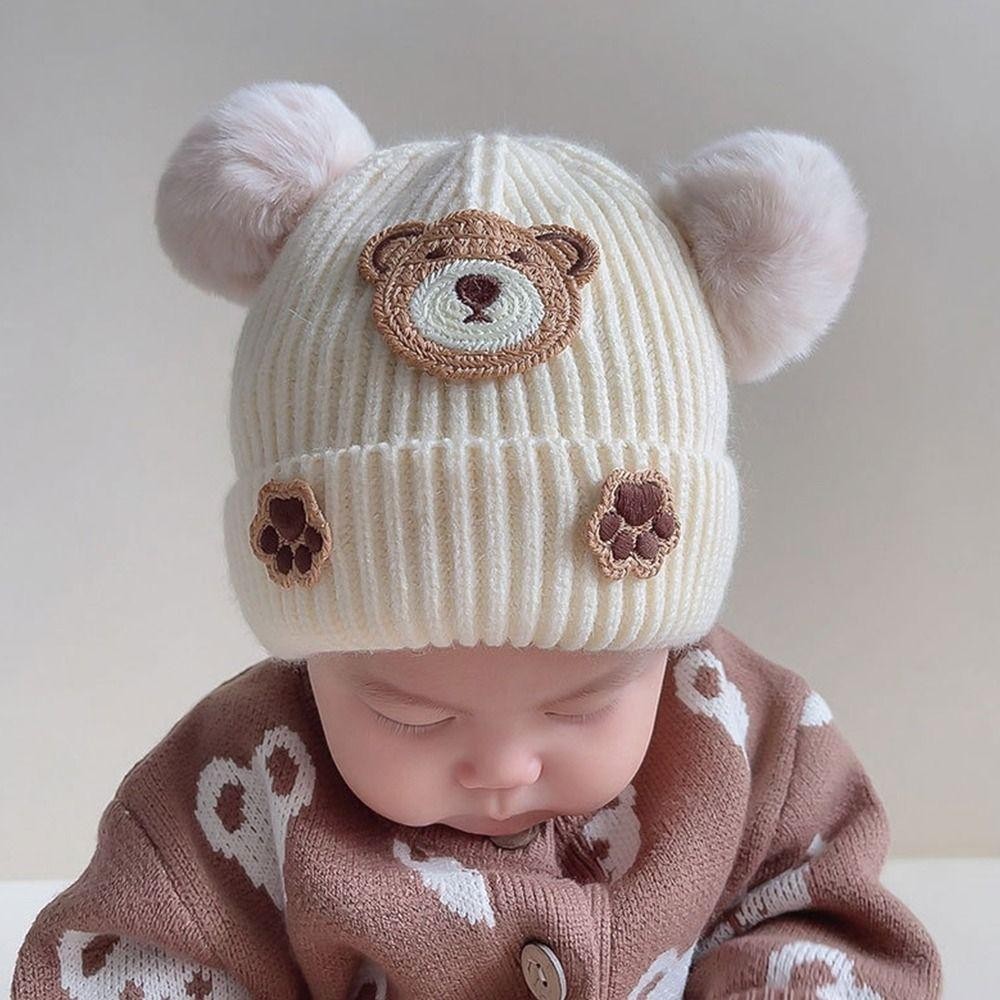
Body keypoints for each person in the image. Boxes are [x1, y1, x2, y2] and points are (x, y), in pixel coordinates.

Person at [12, 81, 941, 1000]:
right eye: (410, 716)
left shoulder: (744, 743)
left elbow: (829, 926)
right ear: (310, 646)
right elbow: (125, 961)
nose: (501, 770)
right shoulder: (239, 789)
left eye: (582, 706)